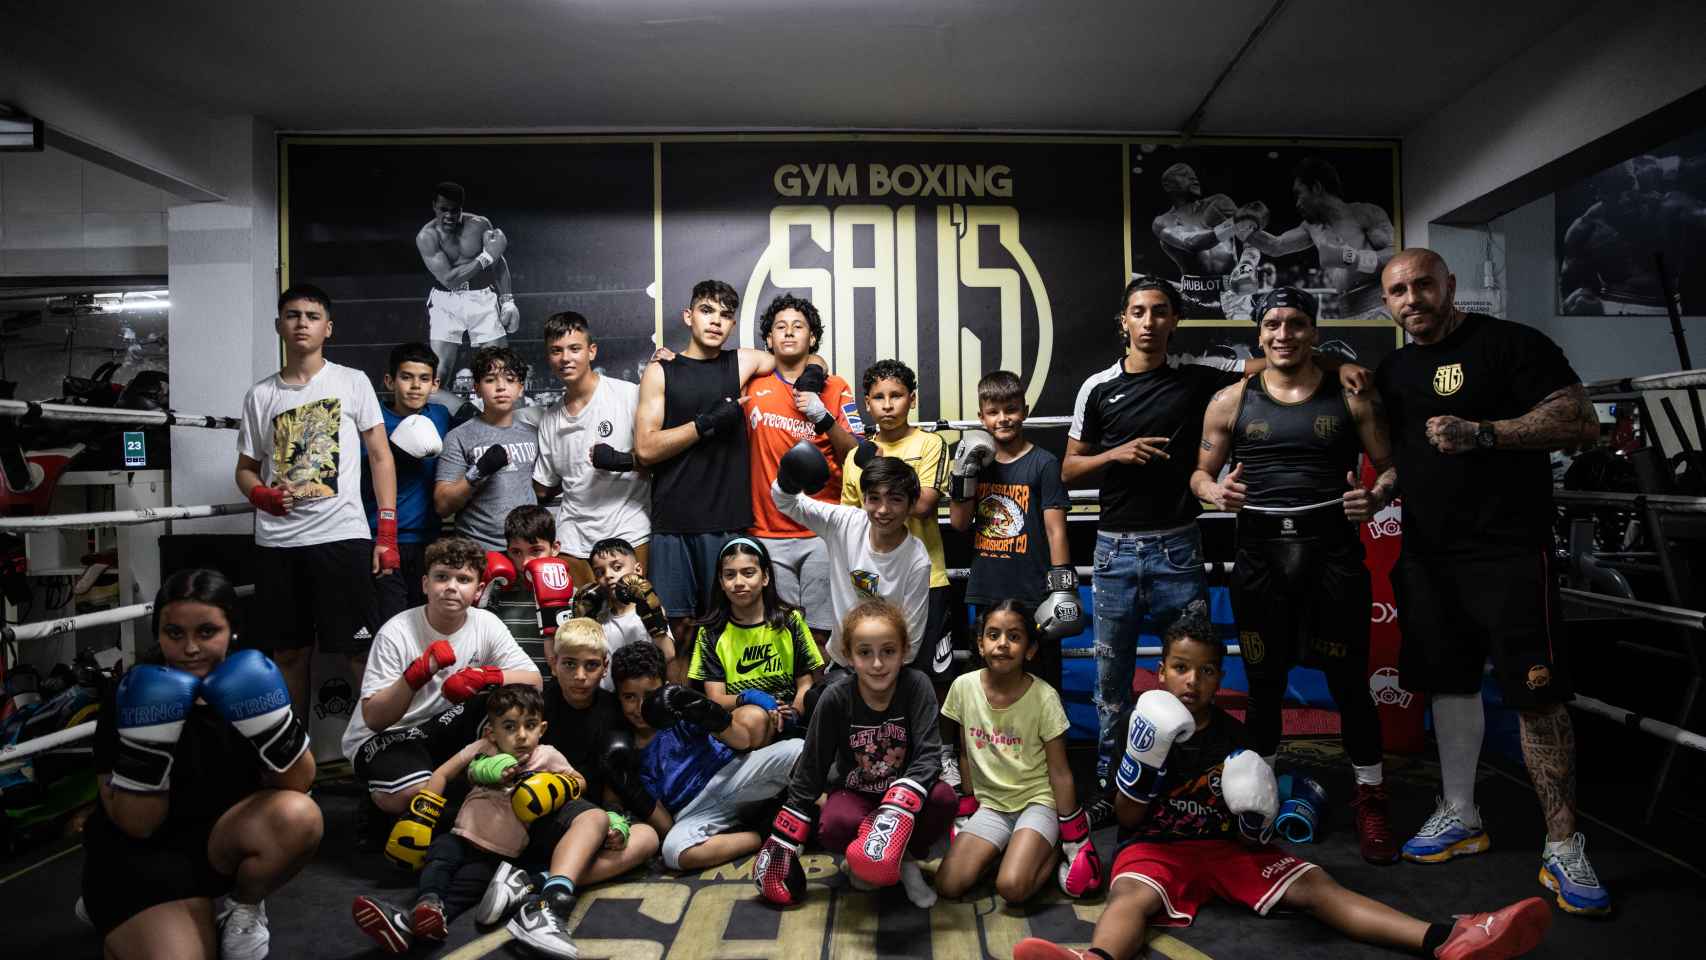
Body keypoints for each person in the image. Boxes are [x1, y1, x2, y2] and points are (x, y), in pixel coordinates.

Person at [1012, 604, 1553, 960]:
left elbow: (1252, 840)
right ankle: (1095, 959)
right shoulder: (1143, 722)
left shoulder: (1234, 736)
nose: (1191, 681)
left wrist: (1252, 818)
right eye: (1180, 668)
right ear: (1161, 673)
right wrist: (1144, 760)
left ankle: (1447, 938)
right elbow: (1128, 819)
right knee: (1129, 896)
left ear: (1219, 679)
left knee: (1319, 888)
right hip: (1156, 848)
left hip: (1225, 850)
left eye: (1204, 671)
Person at [1064, 275, 1366, 825]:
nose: (1149, 322)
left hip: (1179, 544)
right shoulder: (1097, 387)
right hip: (1113, 549)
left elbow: (1278, 359)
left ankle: (1190, 776)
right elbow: (1068, 467)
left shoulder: (1199, 377)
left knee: (1194, 674)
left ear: (1174, 320)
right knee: (1110, 685)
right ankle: (1112, 785)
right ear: (1124, 321)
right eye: (1139, 312)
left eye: (1160, 311)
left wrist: (1336, 364)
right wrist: (1117, 454)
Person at [1375, 249, 1607, 914]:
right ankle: (1460, 813)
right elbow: (1414, 457)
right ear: (1386, 303)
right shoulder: (1396, 368)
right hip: (1428, 554)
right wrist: (1384, 487)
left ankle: (1563, 846)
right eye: (1397, 291)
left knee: (1538, 694)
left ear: (1448, 284)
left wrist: (1485, 432)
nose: (1411, 298)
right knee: (1447, 683)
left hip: (1508, 551)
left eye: (1423, 284)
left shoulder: (1512, 345)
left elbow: (1581, 421)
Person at [1189, 285, 1399, 864]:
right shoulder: (1230, 400)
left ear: (1314, 330)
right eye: (1274, 324)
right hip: (1259, 559)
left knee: (1350, 684)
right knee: (1263, 687)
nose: (1285, 334)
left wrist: (1376, 498)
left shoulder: (1351, 395)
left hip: (1332, 557)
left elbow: (1390, 468)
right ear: (1259, 333)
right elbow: (1200, 475)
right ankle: (1259, 803)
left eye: (1297, 323)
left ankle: (1372, 799)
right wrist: (1214, 490)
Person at [81, 568, 322, 960]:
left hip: (218, 842)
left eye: (206, 632)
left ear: (232, 631)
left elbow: (299, 782)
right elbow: (137, 825)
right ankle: (119, 918)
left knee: (300, 815)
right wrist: (151, 733)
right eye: (174, 633)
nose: (190, 648)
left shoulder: (253, 681)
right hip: (140, 859)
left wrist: (269, 722)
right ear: (158, 633)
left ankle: (244, 908)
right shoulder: (133, 693)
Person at [235, 283, 395, 718]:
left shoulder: (351, 381)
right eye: (292, 315)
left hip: (341, 536)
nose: (301, 322)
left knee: (359, 653)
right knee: (287, 656)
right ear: (278, 326)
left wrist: (387, 532)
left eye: (311, 315)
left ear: (328, 327)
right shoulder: (260, 395)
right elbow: (245, 470)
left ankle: (380, 757)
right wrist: (262, 496)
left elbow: (380, 456)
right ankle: (293, 762)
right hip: (278, 545)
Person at [476, 618, 664, 958]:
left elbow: (611, 782)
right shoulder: (532, 707)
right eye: (570, 664)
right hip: (528, 817)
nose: (580, 676)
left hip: (585, 823)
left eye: (591, 666)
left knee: (647, 838)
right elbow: (492, 754)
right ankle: (547, 907)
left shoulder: (612, 710)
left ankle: (531, 882)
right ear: (552, 662)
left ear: (604, 666)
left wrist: (617, 822)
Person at [350, 684, 580, 954]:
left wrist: (553, 787)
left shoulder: (546, 756)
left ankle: (412, 923)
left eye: (530, 725)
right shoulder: (484, 748)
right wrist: (421, 816)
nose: (521, 735)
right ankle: (428, 903)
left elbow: (579, 781)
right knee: (438, 859)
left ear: (541, 729)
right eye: (509, 726)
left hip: (498, 854)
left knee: (467, 887)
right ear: (492, 732)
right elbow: (441, 774)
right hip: (460, 835)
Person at [754, 599, 953, 910]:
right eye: (865, 653)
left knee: (943, 798)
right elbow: (812, 764)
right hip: (857, 793)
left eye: (888, 651)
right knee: (833, 822)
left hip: (902, 796)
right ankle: (869, 859)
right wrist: (784, 835)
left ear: (905, 652)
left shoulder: (917, 685)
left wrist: (895, 813)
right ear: (848, 656)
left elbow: (929, 755)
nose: (877, 664)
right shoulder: (835, 696)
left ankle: (906, 860)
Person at [340, 538, 542, 834]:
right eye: (442, 577)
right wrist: (415, 676)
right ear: (425, 584)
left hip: (442, 726)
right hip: (389, 734)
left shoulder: (486, 624)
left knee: (508, 706)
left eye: (463, 579)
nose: (451, 586)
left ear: (479, 590)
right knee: (410, 794)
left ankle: (462, 799)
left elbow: (534, 680)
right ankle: (380, 805)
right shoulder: (396, 632)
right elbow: (374, 718)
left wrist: (486, 676)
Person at [634, 280, 777, 672]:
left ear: (732, 325)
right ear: (688, 316)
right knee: (676, 631)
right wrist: (704, 424)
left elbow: (802, 359)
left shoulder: (742, 363)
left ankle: (731, 722)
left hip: (727, 521)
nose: (716, 321)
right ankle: (678, 724)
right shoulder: (661, 372)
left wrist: (815, 373)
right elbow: (645, 449)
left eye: (726, 315)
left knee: (732, 627)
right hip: (674, 521)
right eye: (707, 310)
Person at [934, 601, 1088, 907]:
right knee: (948, 884)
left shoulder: (1044, 697)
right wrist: (967, 807)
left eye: (1014, 637)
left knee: (1012, 887)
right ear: (980, 644)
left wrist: (1074, 836)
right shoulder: (963, 688)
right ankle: (1011, 846)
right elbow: (965, 753)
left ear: (1029, 650)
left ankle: (1053, 845)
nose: (1002, 644)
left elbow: (1059, 771)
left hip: (1037, 802)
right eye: (993, 635)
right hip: (991, 806)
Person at [604, 642, 805, 874]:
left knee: (797, 750)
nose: (640, 707)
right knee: (674, 851)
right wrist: (630, 786)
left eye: (650, 695)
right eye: (630, 697)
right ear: (617, 697)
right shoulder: (625, 749)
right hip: (692, 811)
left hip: (732, 776)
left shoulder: (679, 710)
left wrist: (702, 711)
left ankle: (805, 808)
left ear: (665, 688)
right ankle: (761, 833)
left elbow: (742, 741)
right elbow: (666, 827)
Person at [946, 370, 1074, 691]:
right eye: (993, 412)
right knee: (988, 680)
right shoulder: (978, 463)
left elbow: (1056, 529)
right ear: (982, 416)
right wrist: (963, 475)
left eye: (1011, 409)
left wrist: (1062, 588)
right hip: (988, 586)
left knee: (1041, 682)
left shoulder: (1043, 463)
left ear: (1025, 411)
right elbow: (960, 523)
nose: (1003, 419)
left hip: (1033, 591)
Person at [746, 294, 860, 646]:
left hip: (820, 531)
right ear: (768, 339)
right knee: (776, 634)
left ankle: (814, 701)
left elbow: (856, 454)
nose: (789, 333)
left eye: (799, 326)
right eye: (780, 327)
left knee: (822, 633)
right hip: (766, 530)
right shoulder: (752, 384)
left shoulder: (836, 387)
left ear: (812, 338)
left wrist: (822, 417)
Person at [840, 359, 955, 681]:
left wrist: (879, 465)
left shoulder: (930, 444)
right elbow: (851, 520)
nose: (888, 405)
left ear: (912, 399)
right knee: (875, 675)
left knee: (933, 676)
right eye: (879, 397)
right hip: (872, 583)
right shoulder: (854, 457)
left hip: (926, 578)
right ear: (867, 403)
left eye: (897, 395)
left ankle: (930, 735)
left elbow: (923, 506)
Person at [770, 443, 931, 667]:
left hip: (888, 669)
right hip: (842, 665)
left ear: (911, 504)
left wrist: (877, 672)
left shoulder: (917, 559)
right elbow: (787, 502)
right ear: (863, 499)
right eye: (874, 498)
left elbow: (911, 641)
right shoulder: (845, 522)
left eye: (895, 499)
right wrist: (788, 479)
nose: (883, 510)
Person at [530, 310, 651, 588]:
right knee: (585, 622)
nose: (565, 358)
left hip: (628, 525)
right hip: (574, 534)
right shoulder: (550, 419)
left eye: (575, 348)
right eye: (556, 351)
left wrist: (622, 461)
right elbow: (543, 486)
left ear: (591, 351)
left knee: (636, 612)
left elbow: (658, 459)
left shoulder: (628, 396)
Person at [686, 537, 826, 748]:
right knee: (755, 716)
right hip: (738, 724)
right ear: (721, 583)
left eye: (748, 573)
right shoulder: (710, 632)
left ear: (765, 577)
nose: (739, 582)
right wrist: (750, 697)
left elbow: (805, 682)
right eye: (730, 575)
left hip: (788, 719)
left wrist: (795, 712)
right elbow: (716, 698)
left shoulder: (790, 621)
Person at [363, 341, 453, 622]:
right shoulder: (371, 421)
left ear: (435, 384)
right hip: (383, 538)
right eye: (406, 377)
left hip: (430, 540)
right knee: (392, 624)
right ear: (390, 381)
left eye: (424, 379)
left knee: (428, 623)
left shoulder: (440, 416)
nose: (415, 386)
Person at [1244, 156, 1397, 318]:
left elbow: (1395, 253)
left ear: (1316, 188)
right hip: (1347, 309)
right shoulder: (1312, 227)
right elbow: (1275, 246)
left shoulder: (1365, 213)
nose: (1297, 203)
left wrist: (1354, 258)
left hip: (1378, 303)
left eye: (1299, 194)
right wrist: (1241, 226)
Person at [435, 345, 541, 552]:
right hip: (478, 550)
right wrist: (478, 471)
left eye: (509, 380)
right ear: (477, 387)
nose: (500, 387)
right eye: (490, 380)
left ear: (520, 387)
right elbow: (442, 505)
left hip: (527, 549)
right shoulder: (459, 436)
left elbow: (543, 488)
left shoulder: (533, 434)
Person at [414, 181, 518, 386]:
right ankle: (430, 418)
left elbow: (497, 261)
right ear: (434, 206)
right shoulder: (427, 237)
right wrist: (485, 257)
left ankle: (507, 418)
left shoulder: (479, 225)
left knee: (501, 367)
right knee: (439, 372)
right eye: (443, 209)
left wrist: (508, 300)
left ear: (462, 207)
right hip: (446, 301)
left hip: (482, 296)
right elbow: (450, 280)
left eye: (455, 210)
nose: (449, 216)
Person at [574, 536, 676, 686]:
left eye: (617, 567)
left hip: (643, 694)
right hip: (608, 697)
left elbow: (668, 654)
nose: (608, 575)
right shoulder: (598, 617)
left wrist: (653, 621)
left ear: (638, 570)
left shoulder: (648, 608)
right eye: (600, 572)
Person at [1150, 162, 1242, 320]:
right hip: (1193, 300)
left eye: (1194, 175)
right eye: (1184, 174)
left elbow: (1249, 235)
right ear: (1168, 185)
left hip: (1233, 297)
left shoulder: (1219, 202)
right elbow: (1192, 244)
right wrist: (1233, 224)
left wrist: (1250, 262)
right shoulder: (1163, 221)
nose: (1193, 178)